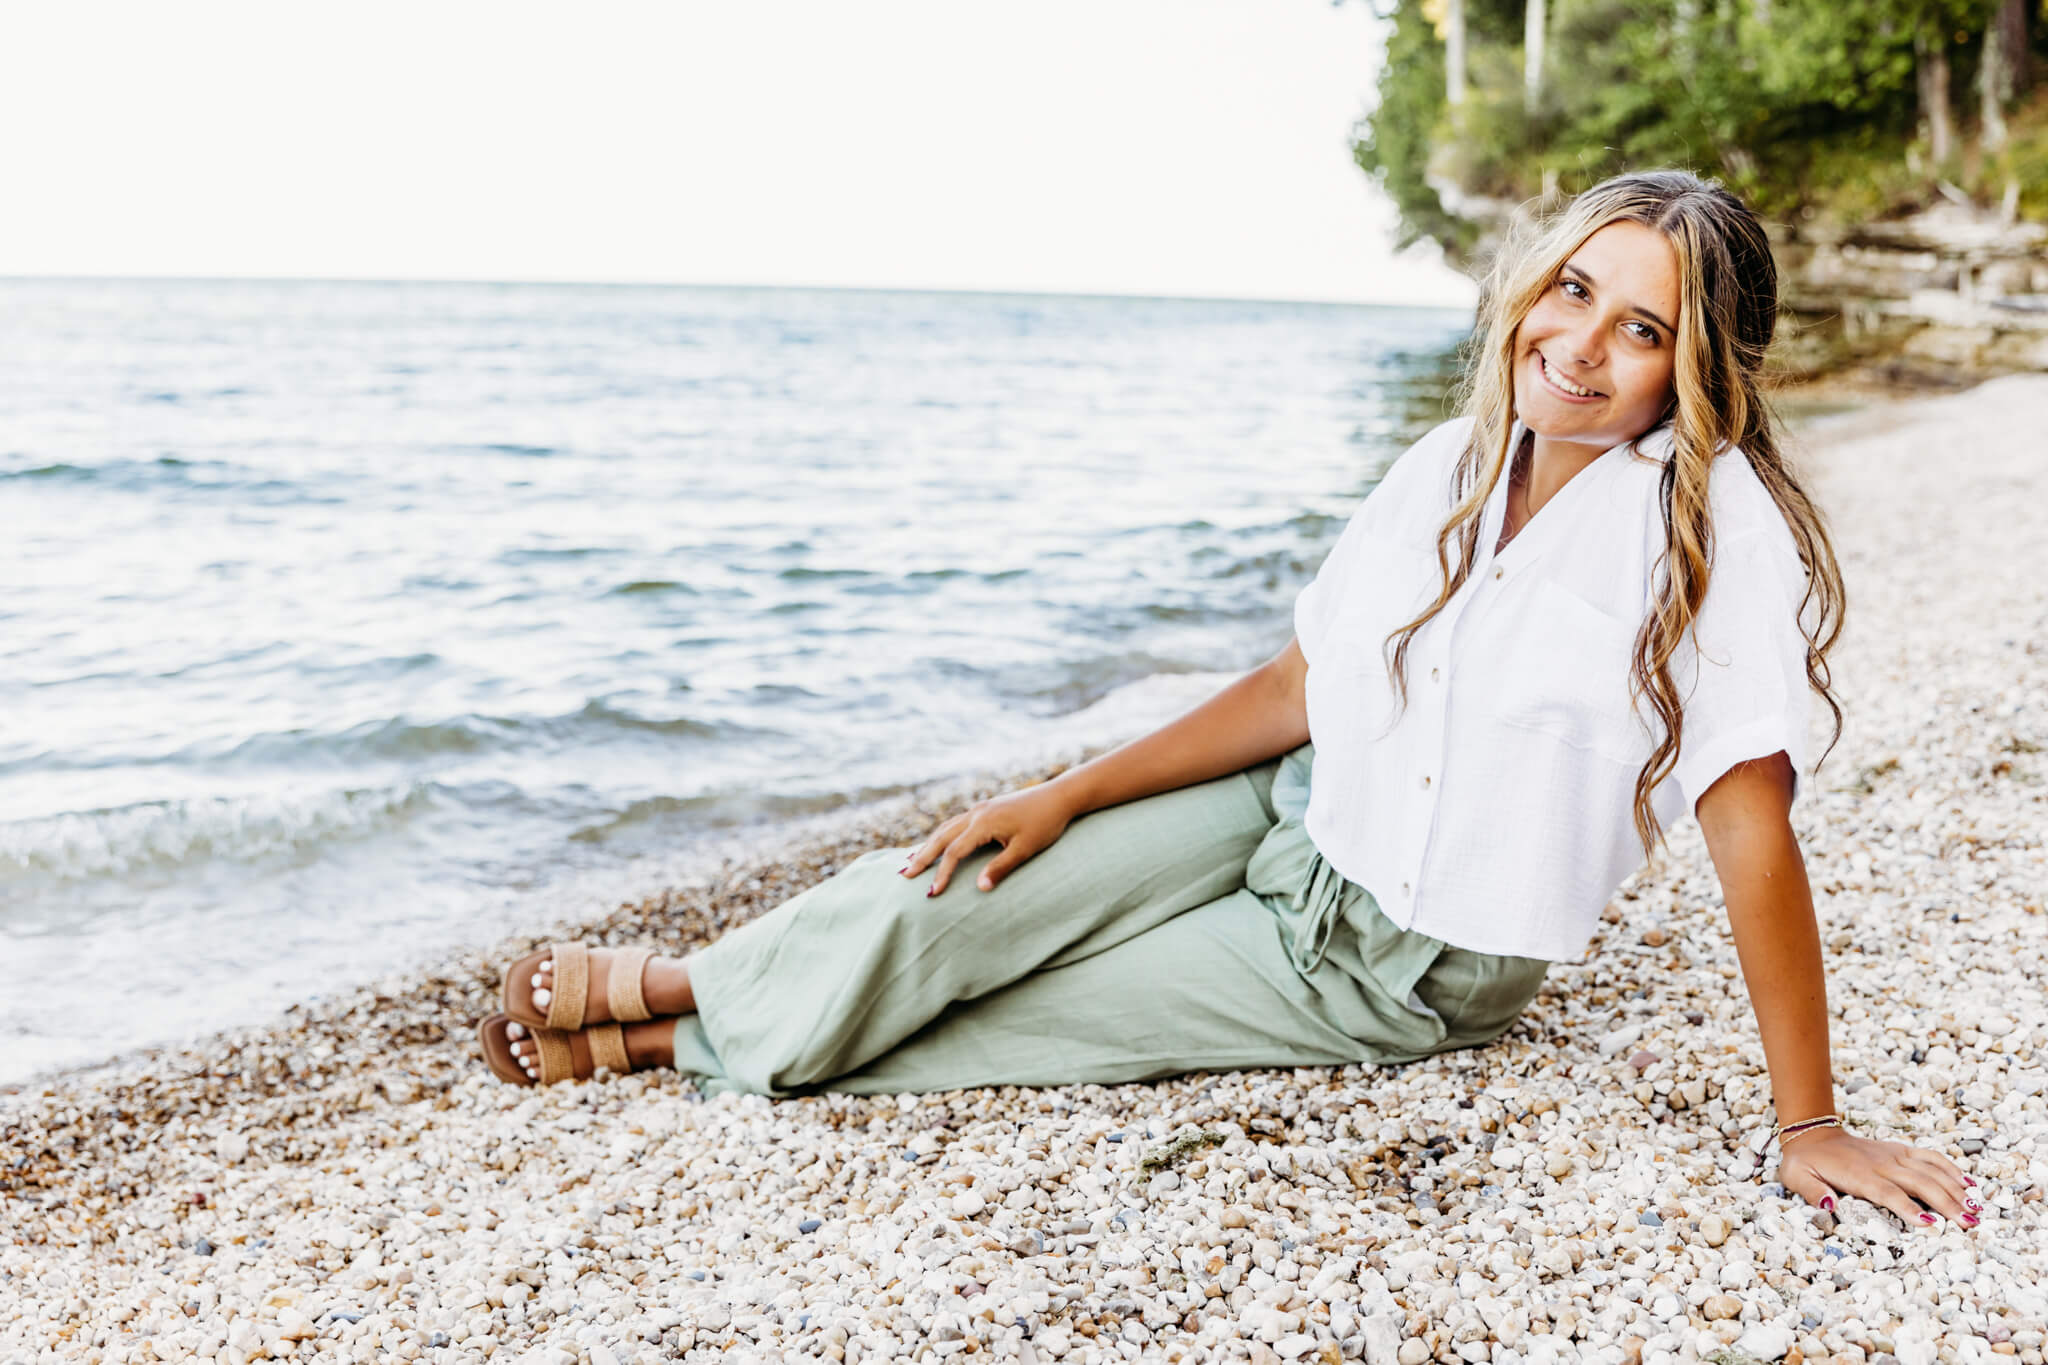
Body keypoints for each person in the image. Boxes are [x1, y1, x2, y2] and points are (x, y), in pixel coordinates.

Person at [477, 169, 1982, 1233]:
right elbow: (1304, 682)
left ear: (1694, 365)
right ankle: (694, 979)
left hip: (1401, 961)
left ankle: (674, 1036)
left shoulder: (1715, 531)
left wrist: (1811, 1120)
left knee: (1024, 1014)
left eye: (1639, 329)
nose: (1579, 345)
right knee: (965, 885)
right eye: (1573, 290)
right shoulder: (1457, 461)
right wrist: (1070, 790)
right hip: (1289, 810)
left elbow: (1750, 827)